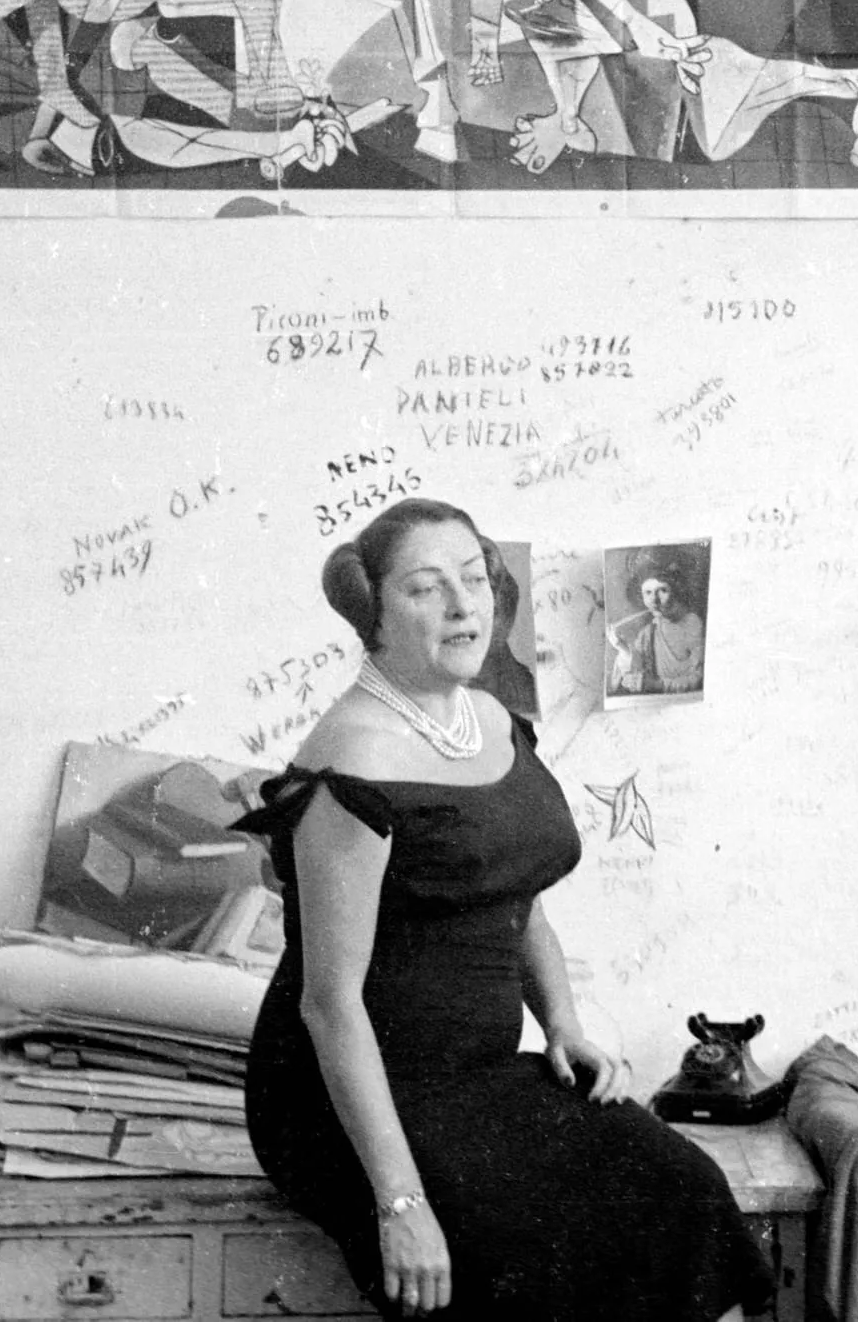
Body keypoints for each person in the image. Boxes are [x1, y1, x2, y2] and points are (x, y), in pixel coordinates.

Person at [236, 499, 771, 1320]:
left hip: (479, 1077)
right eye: (425, 587)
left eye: (474, 578)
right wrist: (401, 1203)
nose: (463, 606)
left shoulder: (489, 719)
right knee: (527, 1251)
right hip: (348, 1099)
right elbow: (329, 1002)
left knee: (683, 1187)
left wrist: (562, 1023)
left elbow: (520, 901)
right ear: (373, 613)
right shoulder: (354, 760)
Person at [606, 562, 707, 696]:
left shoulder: (692, 623)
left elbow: (700, 679)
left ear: (676, 592)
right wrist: (621, 647)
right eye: (648, 592)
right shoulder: (647, 633)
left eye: (662, 590)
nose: (654, 599)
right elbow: (636, 669)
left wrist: (656, 685)